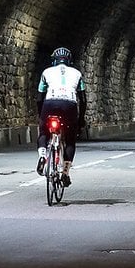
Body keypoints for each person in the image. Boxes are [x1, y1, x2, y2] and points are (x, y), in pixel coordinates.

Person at [36, 46, 87, 186]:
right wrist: (81, 120)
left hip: (50, 103)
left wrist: (41, 116)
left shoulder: (46, 72)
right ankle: (65, 173)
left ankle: (42, 156)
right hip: (69, 105)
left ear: (54, 61)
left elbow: (39, 97)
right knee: (70, 140)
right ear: (69, 61)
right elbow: (83, 100)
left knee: (44, 132)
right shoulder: (77, 73)